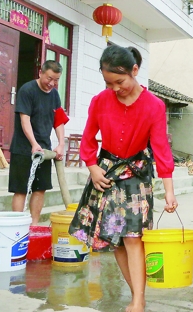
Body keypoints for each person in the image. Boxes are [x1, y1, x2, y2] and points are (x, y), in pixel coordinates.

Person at [69, 45, 178, 312]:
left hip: (137, 174)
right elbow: (87, 138)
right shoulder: (100, 100)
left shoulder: (154, 106)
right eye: (109, 83)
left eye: (120, 81)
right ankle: (136, 296)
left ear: (135, 71)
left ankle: (138, 301)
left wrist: (169, 191)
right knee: (114, 238)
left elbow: (161, 149)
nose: (115, 88)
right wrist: (92, 167)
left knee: (133, 237)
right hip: (105, 175)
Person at [9, 60, 66, 225]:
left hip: (44, 151)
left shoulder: (54, 94)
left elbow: (59, 120)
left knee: (40, 189)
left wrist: (61, 143)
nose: (52, 83)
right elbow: (24, 120)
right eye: (49, 78)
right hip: (23, 148)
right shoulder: (27, 90)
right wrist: (33, 143)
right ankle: (17, 225)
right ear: (40, 73)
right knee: (20, 190)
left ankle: (34, 225)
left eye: (56, 80)